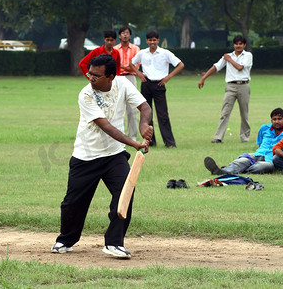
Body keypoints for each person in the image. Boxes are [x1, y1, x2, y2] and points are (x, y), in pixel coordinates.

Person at [51, 54, 153, 259]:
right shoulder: (86, 94)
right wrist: (133, 143)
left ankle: (114, 242)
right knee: (73, 203)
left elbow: (145, 107)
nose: (91, 78)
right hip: (86, 156)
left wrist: (144, 125)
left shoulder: (123, 84)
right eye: (90, 73)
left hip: (114, 155)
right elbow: (105, 126)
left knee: (125, 193)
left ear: (111, 77)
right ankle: (66, 239)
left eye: (96, 76)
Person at [129, 30, 184, 148]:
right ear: (147, 41)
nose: (152, 42)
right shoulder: (142, 53)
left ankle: (169, 142)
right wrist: (139, 73)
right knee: (146, 114)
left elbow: (180, 64)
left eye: (154, 40)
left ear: (158, 40)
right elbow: (132, 64)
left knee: (163, 115)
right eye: (150, 40)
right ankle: (150, 141)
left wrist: (168, 77)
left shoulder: (165, 53)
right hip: (146, 84)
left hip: (159, 84)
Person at [204, 108, 283, 175]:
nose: (277, 122)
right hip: (258, 154)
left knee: (264, 167)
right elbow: (259, 144)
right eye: (274, 119)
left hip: (272, 159)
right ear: (271, 120)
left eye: (279, 119)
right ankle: (222, 171)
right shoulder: (264, 128)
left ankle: (231, 171)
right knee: (243, 160)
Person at [198, 35, 253, 143]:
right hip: (230, 86)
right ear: (233, 45)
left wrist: (229, 59)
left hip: (243, 85)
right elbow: (216, 67)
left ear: (244, 45)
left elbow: (240, 67)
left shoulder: (247, 55)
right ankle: (218, 137)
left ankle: (245, 137)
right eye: (236, 44)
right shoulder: (228, 56)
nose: (238, 46)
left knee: (244, 113)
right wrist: (204, 78)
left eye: (240, 44)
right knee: (225, 113)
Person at [114, 26, 141, 141]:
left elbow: (137, 65)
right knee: (116, 107)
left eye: (127, 33)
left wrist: (124, 67)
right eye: (123, 33)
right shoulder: (115, 49)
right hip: (117, 78)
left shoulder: (136, 49)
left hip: (131, 78)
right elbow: (113, 65)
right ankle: (117, 135)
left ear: (130, 36)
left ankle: (132, 136)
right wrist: (128, 66)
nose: (125, 35)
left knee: (132, 108)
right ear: (119, 36)